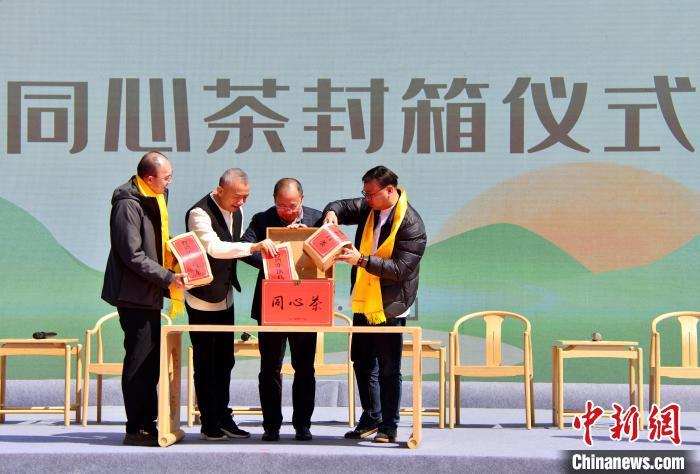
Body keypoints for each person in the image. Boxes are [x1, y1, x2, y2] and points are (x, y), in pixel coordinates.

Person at [324, 165, 426, 443]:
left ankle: (389, 425)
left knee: (389, 366)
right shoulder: (370, 208)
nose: (366, 198)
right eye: (364, 193)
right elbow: (342, 206)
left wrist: (361, 260)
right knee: (362, 361)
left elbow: (401, 269)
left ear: (389, 190)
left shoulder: (411, 224)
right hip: (364, 297)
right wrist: (332, 213)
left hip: (390, 303)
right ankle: (371, 416)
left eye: (370, 194)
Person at [101, 151, 187, 447]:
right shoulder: (128, 203)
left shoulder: (154, 197)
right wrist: (167, 277)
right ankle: (136, 427)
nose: (169, 182)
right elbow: (132, 254)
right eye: (166, 177)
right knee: (139, 361)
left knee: (150, 361)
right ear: (149, 178)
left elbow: (156, 241)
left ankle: (147, 423)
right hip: (133, 294)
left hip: (148, 292)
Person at [185, 168, 278, 441]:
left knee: (225, 360)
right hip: (202, 297)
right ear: (220, 190)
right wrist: (253, 247)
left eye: (246, 197)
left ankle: (223, 416)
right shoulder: (199, 214)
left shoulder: (237, 212)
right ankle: (208, 421)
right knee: (205, 362)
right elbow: (214, 248)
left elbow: (232, 244)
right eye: (237, 196)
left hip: (225, 296)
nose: (242, 202)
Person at [240, 178, 323, 442]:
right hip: (272, 303)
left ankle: (303, 425)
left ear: (302, 199)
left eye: (292, 206)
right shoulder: (262, 219)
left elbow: (332, 251)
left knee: (305, 368)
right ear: (274, 201)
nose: (287, 211)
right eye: (281, 206)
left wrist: (305, 241)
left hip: (304, 304)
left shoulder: (317, 219)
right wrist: (271, 256)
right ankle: (271, 425)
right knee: (269, 368)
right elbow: (245, 249)